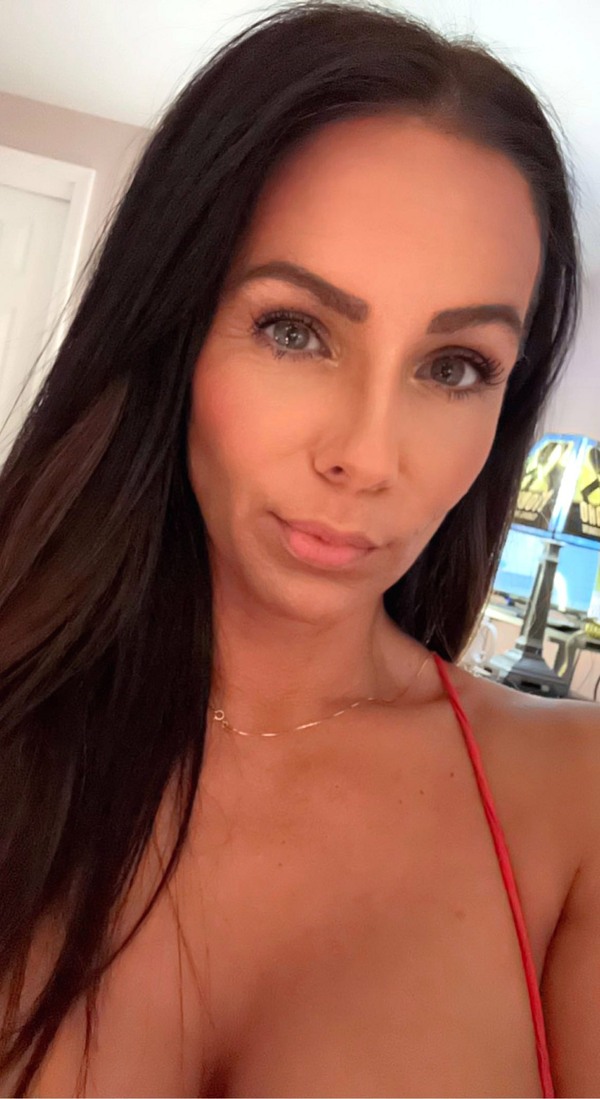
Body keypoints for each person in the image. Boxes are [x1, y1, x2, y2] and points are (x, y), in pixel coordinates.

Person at [0, 1, 598, 1095]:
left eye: (455, 366)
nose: (367, 457)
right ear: (172, 331)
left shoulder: (576, 802)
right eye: (295, 330)